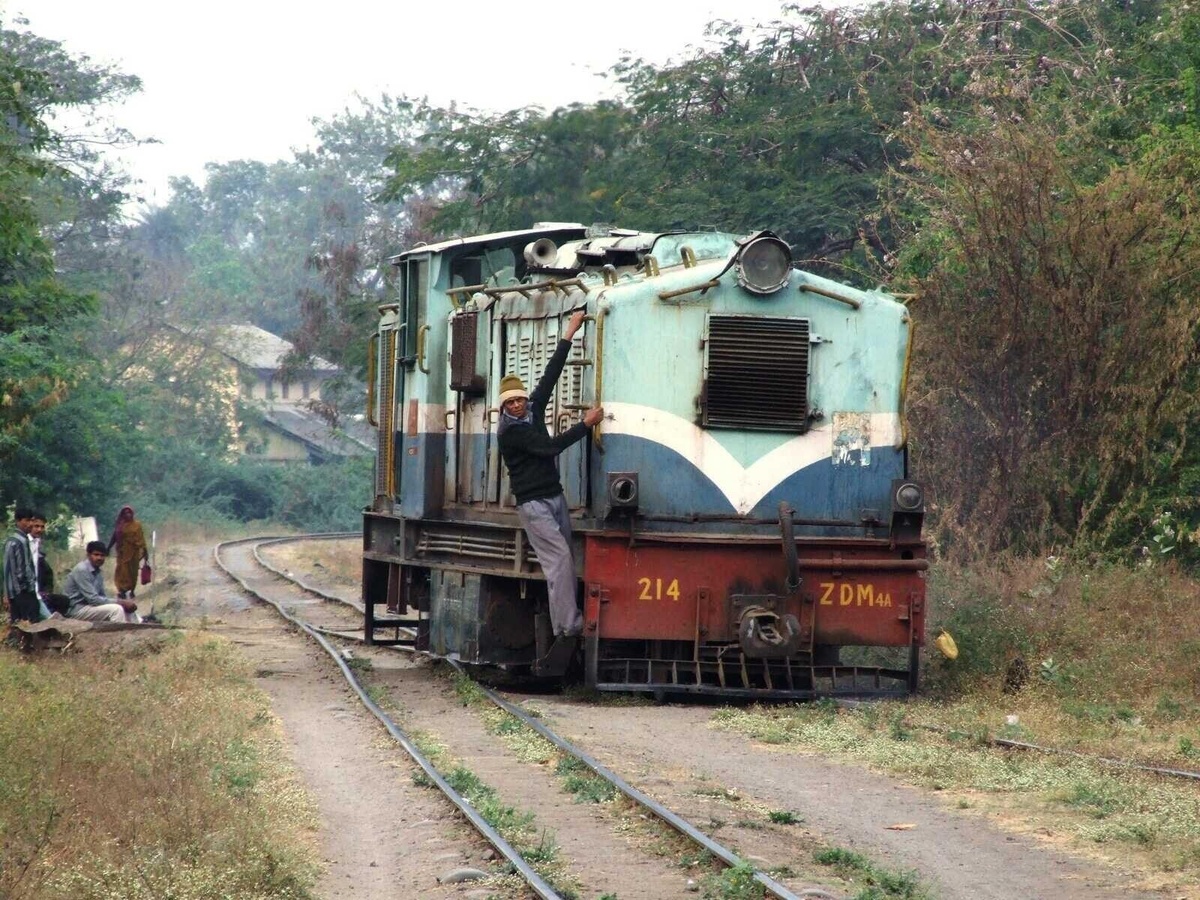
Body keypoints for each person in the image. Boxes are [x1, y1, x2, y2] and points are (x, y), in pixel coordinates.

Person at [497, 310, 603, 638]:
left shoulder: (532, 410)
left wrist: (569, 332)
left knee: (566, 559)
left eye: (519, 399)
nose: (517, 405)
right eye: (510, 402)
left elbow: (550, 376)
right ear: (502, 407)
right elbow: (549, 449)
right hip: (534, 506)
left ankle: (566, 622)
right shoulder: (510, 433)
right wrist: (585, 425)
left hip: (555, 498)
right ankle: (569, 627)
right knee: (558, 562)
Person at [63, 541, 142, 623]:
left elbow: (101, 596)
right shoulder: (82, 570)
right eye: (96, 554)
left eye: (102, 555)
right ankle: (119, 634)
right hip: (77, 610)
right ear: (89, 555)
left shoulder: (98, 572)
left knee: (126, 608)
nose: (99, 558)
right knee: (116, 610)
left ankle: (134, 633)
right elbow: (93, 600)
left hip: (90, 607)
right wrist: (120, 602)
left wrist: (123, 603)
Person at [3, 507, 48, 623]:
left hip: (22, 591)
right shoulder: (17, 542)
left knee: (26, 623)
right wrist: (9, 593)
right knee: (27, 624)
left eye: (32, 520)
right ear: (18, 521)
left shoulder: (18, 540)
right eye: (27, 520)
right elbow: (15, 570)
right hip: (22, 592)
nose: (30, 524)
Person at [29, 513, 70, 616]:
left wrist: (46, 591)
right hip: (28, 591)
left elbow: (47, 573)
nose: (39, 529)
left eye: (42, 527)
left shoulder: (38, 543)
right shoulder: (25, 543)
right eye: (36, 526)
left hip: (40, 591)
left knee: (63, 601)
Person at [106, 505, 148, 600]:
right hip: (122, 553)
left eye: (129, 513)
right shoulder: (120, 525)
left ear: (132, 514)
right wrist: (108, 547)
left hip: (134, 553)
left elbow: (141, 539)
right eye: (125, 513)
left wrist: (145, 552)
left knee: (133, 572)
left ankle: (132, 589)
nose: (128, 515)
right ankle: (122, 590)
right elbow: (115, 536)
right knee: (122, 571)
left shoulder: (137, 525)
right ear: (122, 515)